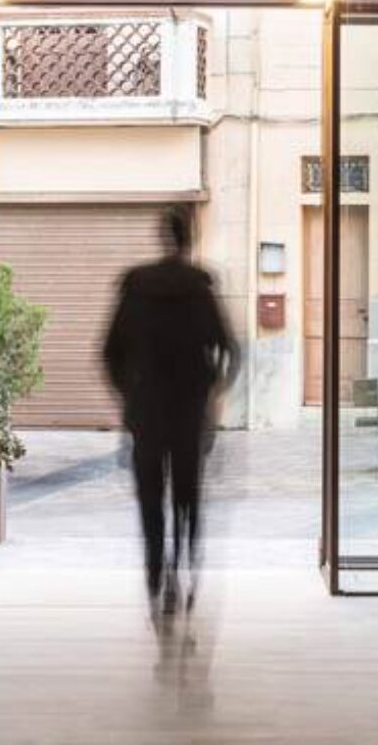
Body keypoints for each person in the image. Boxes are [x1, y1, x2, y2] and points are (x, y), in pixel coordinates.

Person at [102, 203, 239, 627]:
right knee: (186, 497)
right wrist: (212, 392)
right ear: (189, 238)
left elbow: (108, 353)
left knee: (150, 500)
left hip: (147, 412)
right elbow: (231, 351)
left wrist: (129, 395)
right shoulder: (200, 289)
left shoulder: (135, 287)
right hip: (188, 413)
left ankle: (156, 572)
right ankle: (182, 565)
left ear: (163, 236)